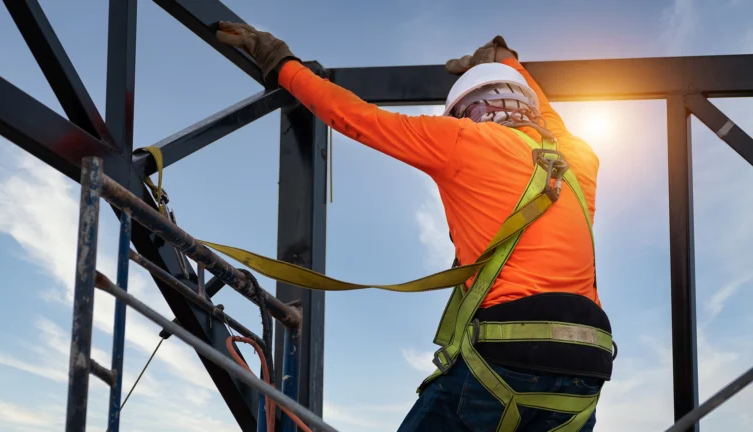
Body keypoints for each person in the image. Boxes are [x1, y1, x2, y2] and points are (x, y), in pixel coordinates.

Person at [216, 22, 614, 432]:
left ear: (467, 110)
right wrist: (506, 59)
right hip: (585, 374)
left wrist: (280, 63)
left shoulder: (461, 139)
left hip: (503, 361)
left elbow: (354, 117)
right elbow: (546, 112)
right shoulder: (578, 158)